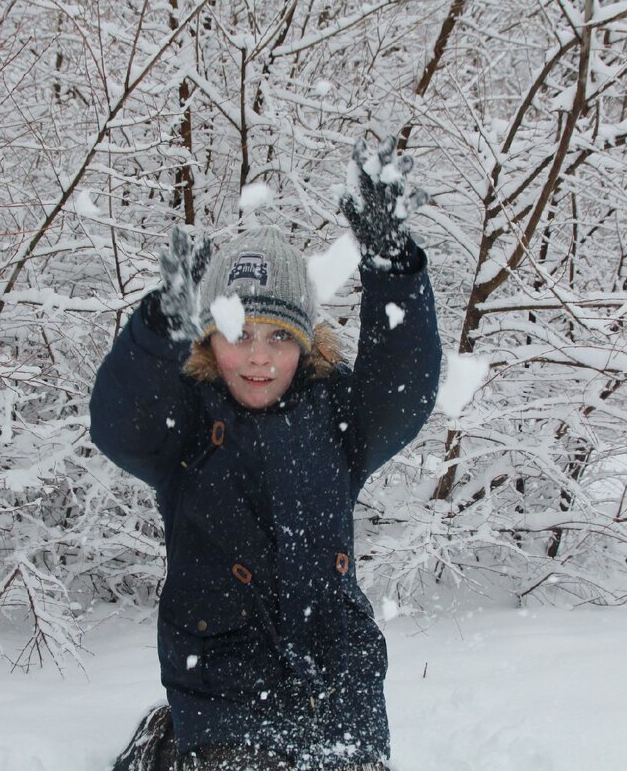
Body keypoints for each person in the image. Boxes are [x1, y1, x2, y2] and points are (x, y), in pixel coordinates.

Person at [90, 137, 441, 770]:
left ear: (307, 343)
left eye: (280, 336)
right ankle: (166, 747)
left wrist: (392, 269)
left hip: (335, 667)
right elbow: (120, 426)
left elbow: (404, 391)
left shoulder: (340, 415)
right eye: (238, 335)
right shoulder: (188, 417)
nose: (258, 357)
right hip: (221, 665)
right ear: (207, 338)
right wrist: (157, 328)